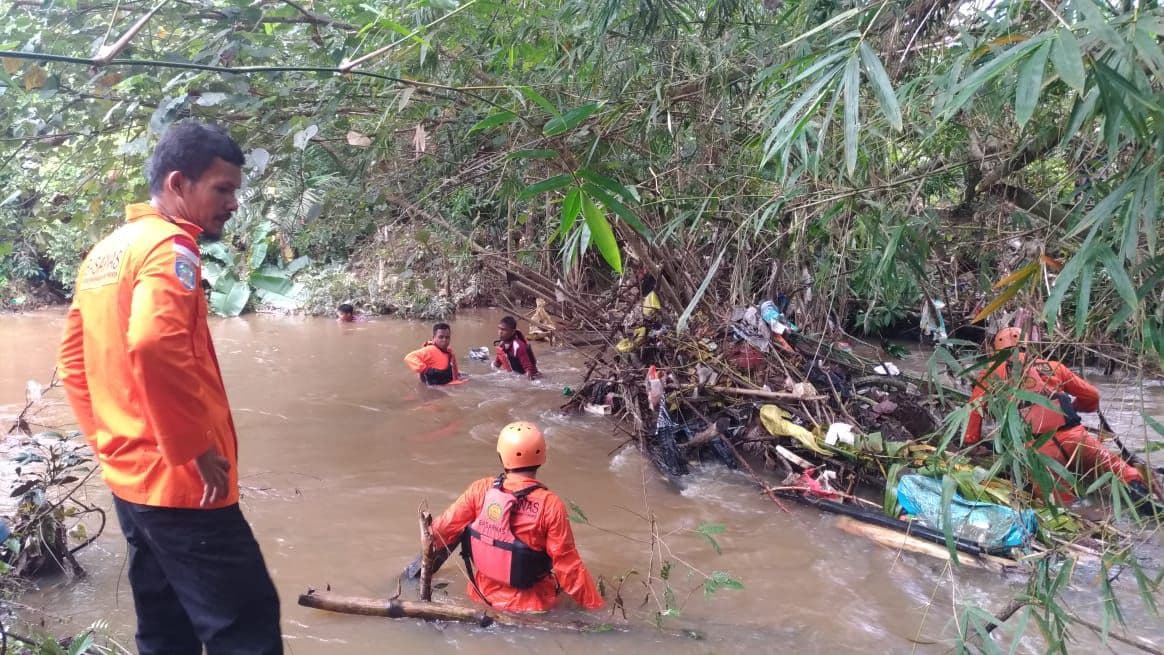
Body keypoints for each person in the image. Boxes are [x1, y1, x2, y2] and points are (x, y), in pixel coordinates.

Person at [56, 120, 282, 655]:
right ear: (179, 184)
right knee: (245, 629)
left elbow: (72, 362)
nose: (232, 204)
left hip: (132, 478)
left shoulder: (108, 251)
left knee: (165, 631)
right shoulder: (168, 248)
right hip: (184, 487)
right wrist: (191, 448)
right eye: (222, 189)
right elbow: (155, 344)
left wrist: (111, 446)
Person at [963, 327, 1157, 512]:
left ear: (997, 351)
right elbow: (1093, 396)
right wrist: (1073, 408)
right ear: (1029, 345)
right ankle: (1150, 502)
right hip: (1078, 439)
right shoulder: (1052, 367)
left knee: (1063, 507)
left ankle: (1087, 520)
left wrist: (971, 443)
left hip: (1039, 451)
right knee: (1122, 471)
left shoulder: (990, 373)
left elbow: (975, 409)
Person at [427, 422, 604, 612]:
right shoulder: (550, 505)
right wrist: (598, 608)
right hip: (533, 608)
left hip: (480, 598)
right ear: (542, 457)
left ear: (502, 455)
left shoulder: (480, 490)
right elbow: (569, 568)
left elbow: (439, 532)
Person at [493, 316, 540, 380]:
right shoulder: (502, 345)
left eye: (504, 330)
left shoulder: (518, 346)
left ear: (512, 331)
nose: (500, 332)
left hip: (534, 378)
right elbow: (496, 365)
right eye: (499, 329)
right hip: (515, 375)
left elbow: (529, 370)